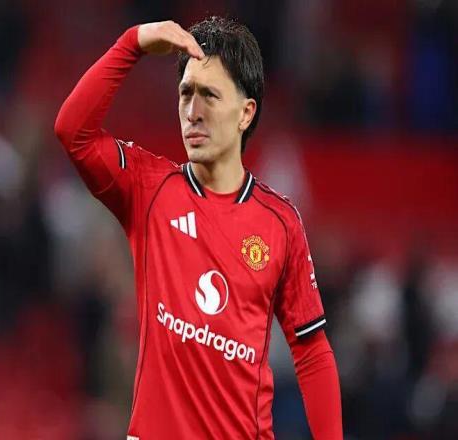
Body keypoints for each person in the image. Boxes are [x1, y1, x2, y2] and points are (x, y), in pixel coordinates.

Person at [55, 17, 342, 440]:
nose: (192, 112)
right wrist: (132, 43)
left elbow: (311, 350)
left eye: (209, 95)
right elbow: (72, 132)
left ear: (246, 113)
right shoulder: (148, 189)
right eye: (186, 93)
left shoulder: (280, 223)